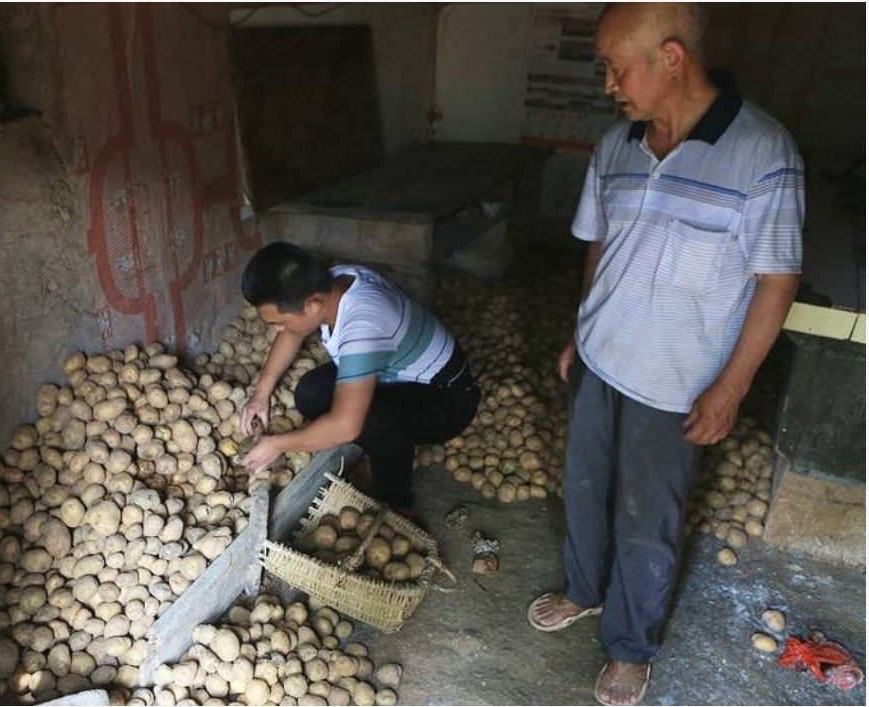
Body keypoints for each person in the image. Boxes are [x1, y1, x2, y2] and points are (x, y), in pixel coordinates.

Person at [526, 4, 803, 706]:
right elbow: (600, 244)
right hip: (600, 357)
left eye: (616, 68)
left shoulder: (763, 153)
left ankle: (629, 646)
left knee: (646, 517)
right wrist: (579, 330)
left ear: (671, 57)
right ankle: (584, 589)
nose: (608, 85)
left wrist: (731, 387)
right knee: (584, 487)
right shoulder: (615, 145)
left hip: (675, 378)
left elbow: (776, 281)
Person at [237, 241, 480, 514]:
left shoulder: (362, 324)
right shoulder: (333, 281)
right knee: (311, 393)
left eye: (279, 322)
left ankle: (398, 503)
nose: (278, 330)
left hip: (448, 398)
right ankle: (380, 449)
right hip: (396, 376)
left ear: (312, 306)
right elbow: (292, 332)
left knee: (371, 421)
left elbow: (345, 428)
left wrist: (277, 445)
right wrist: (261, 394)